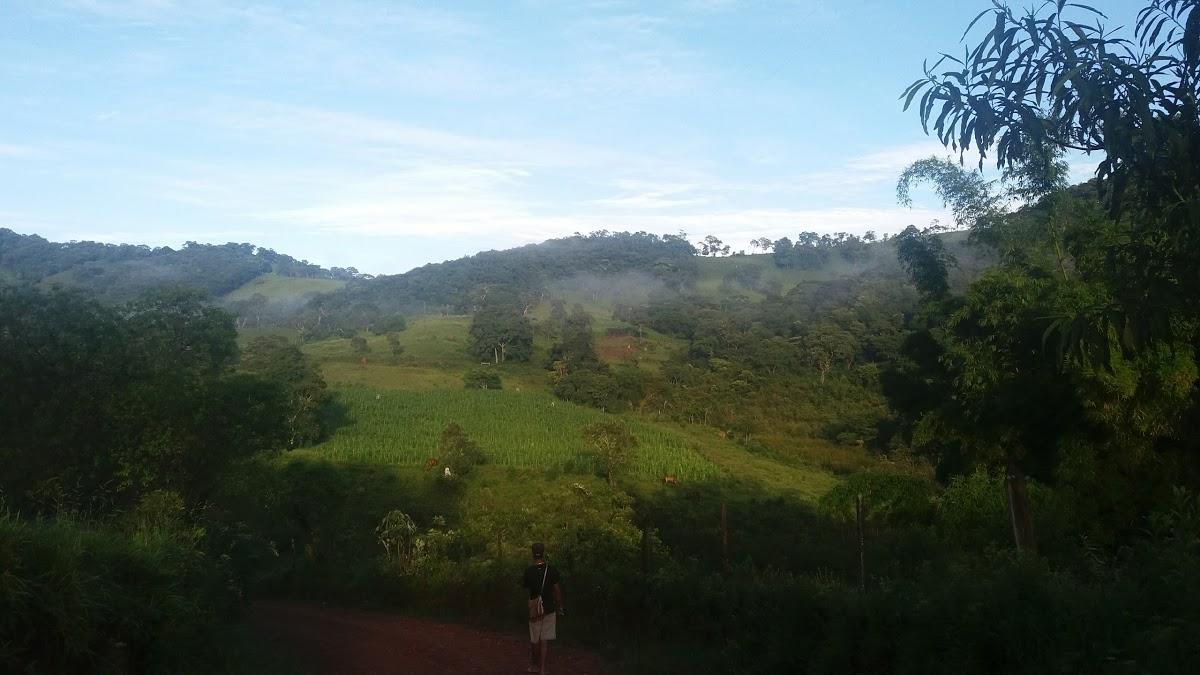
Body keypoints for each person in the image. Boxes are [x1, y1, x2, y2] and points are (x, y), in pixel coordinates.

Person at [522, 542, 562, 675]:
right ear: (543, 552)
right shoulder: (551, 570)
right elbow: (557, 591)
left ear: (532, 553)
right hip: (549, 608)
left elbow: (527, 590)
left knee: (535, 639)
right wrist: (559, 606)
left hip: (535, 610)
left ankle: (534, 665)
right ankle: (543, 669)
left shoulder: (528, 571)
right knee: (544, 641)